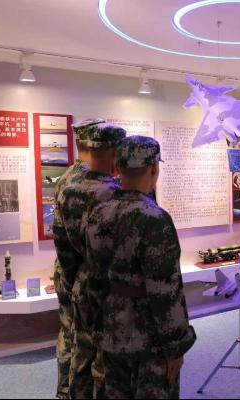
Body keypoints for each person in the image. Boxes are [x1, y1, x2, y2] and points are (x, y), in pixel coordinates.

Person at [86, 136, 196, 398]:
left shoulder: (99, 213)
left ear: (118, 167)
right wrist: (175, 347)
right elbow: (165, 292)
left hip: (112, 331)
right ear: (154, 168)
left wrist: (98, 328)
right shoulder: (155, 219)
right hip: (150, 342)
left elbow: (94, 279)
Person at [58, 122, 126, 399]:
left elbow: (63, 246)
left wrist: (73, 280)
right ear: (113, 152)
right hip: (111, 289)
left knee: (80, 346)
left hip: (80, 281)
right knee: (108, 359)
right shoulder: (116, 193)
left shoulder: (68, 187)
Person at [52, 118, 100, 399]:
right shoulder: (87, 182)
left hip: (65, 269)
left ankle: (64, 390)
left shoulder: (67, 176)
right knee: (83, 338)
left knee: (67, 332)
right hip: (79, 273)